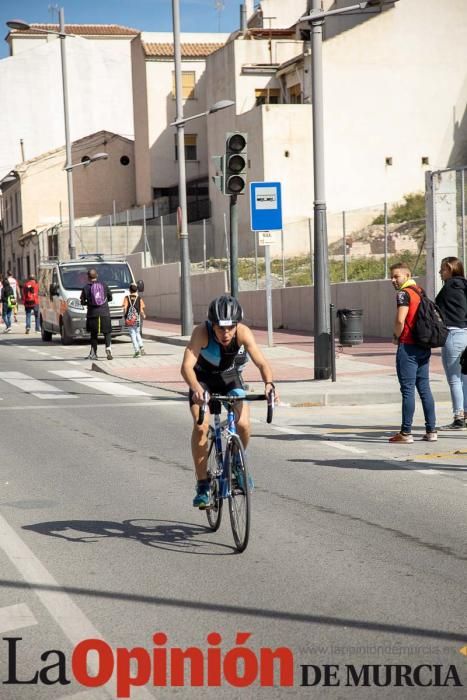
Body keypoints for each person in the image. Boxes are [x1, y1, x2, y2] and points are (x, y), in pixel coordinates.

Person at [181, 295, 278, 508]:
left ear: (237, 324)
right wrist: (196, 389)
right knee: (201, 427)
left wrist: (269, 384)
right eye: (220, 328)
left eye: (230, 328)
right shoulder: (201, 332)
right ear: (212, 325)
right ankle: (203, 484)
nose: (225, 333)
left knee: (243, 424)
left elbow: (262, 363)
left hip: (229, 378)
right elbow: (186, 367)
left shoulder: (243, 333)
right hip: (203, 381)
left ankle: (236, 463)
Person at [389, 262, 437, 443]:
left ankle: (406, 433)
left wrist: (396, 336)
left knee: (407, 389)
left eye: (397, 276)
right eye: (392, 277)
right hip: (423, 345)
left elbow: (400, 320)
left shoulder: (403, 294)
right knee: (424, 388)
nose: (393, 280)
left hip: (408, 346)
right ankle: (431, 430)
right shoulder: (419, 290)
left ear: (407, 275)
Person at [435, 256, 467, 430]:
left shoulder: (448, 287)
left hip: (453, 335)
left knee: (454, 379)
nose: (440, 272)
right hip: (466, 334)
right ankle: (465, 414)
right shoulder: (465, 286)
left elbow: (436, 309)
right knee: (465, 377)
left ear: (451, 269)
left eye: (443, 269)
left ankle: (458, 417)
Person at [80, 268, 113, 361]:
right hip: (104, 313)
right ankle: (108, 349)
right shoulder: (104, 285)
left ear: (88, 277)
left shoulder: (86, 287)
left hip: (92, 314)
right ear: (97, 275)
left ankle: (94, 353)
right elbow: (110, 297)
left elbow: (82, 301)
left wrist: (89, 303)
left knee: (94, 335)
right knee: (107, 332)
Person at [123, 283, 146, 358]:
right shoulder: (139, 298)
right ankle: (141, 346)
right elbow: (141, 310)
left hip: (129, 319)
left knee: (132, 334)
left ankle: (136, 351)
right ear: (136, 290)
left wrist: (125, 316)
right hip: (137, 319)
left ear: (129, 290)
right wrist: (143, 315)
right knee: (137, 333)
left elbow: (124, 308)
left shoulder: (126, 298)